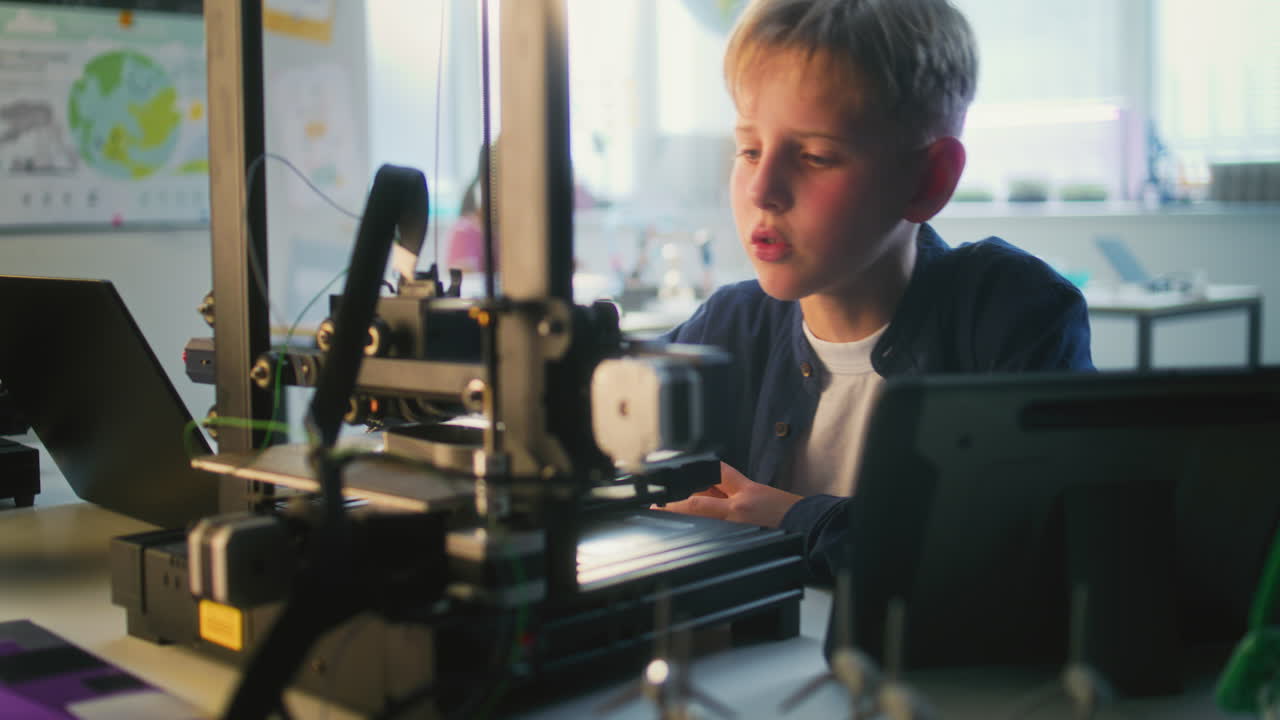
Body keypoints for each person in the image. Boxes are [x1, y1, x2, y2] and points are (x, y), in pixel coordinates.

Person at [653, 0, 1094, 584]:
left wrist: (797, 521)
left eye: (814, 156)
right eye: (750, 149)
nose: (761, 189)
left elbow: (1031, 554)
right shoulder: (727, 326)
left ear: (928, 180)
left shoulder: (1013, 316)